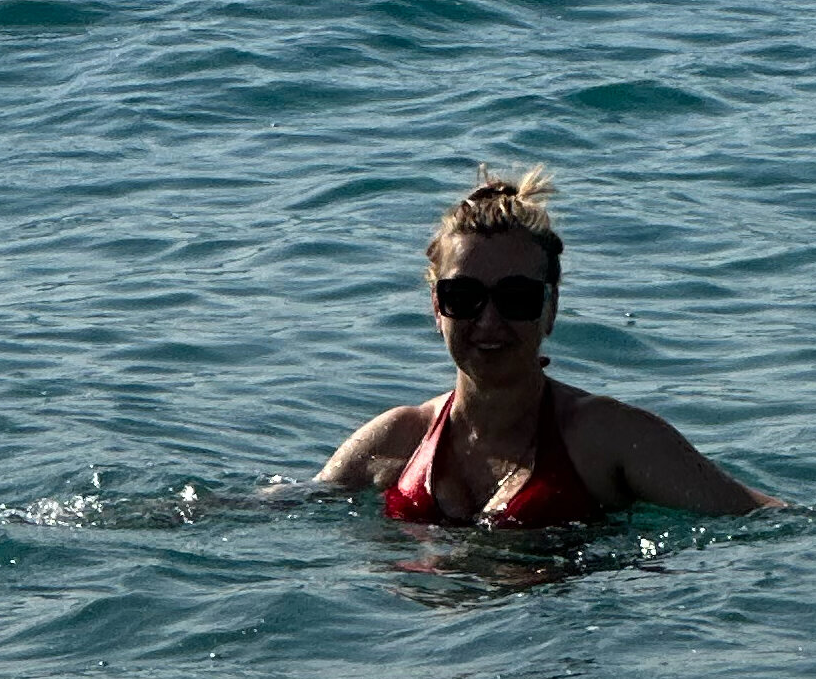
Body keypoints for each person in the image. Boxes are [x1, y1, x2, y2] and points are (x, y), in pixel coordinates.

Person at [319, 169, 771, 527]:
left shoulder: (609, 438)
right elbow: (280, 513)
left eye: (517, 298)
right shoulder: (397, 438)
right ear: (437, 307)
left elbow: (767, 522)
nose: (488, 321)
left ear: (551, 308)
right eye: (464, 297)